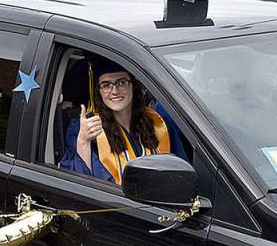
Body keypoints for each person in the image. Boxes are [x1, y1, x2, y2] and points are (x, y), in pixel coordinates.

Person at [59, 58, 187, 185]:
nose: (114, 91)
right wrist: (83, 142)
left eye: (121, 82)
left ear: (133, 86)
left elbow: (182, 173)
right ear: (98, 91)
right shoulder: (86, 128)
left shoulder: (157, 123)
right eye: (106, 85)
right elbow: (80, 187)